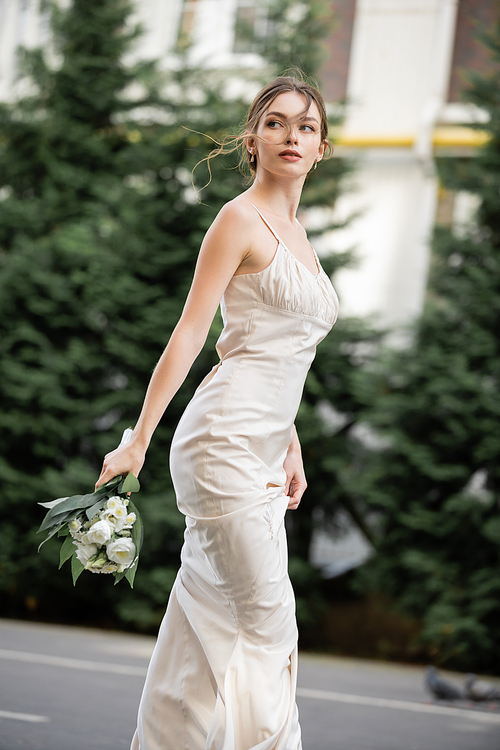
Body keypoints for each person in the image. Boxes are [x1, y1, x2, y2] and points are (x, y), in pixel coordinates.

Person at [96, 75, 339, 750]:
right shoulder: (239, 219)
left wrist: (290, 443)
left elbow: (271, 349)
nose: (292, 136)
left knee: (207, 629)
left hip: (263, 448)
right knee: (268, 628)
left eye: (307, 127)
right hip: (222, 441)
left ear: (321, 148)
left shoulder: (298, 232)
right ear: (252, 138)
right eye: (277, 123)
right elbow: (193, 332)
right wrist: (137, 441)